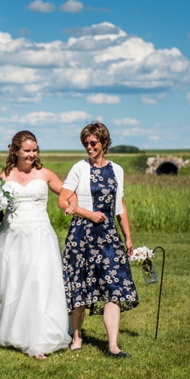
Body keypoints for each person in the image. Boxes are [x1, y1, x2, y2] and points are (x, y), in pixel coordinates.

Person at [0, 131, 73, 359]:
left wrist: (73, 207)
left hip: (40, 236)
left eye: (35, 150)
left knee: (38, 283)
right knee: (12, 283)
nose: (32, 155)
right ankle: (12, 332)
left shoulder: (46, 174)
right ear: (15, 151)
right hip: (11, 236)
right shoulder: (5, 175)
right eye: (27, 151)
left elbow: (68, 194)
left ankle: (40, 338)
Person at [57, 121, 139, 358]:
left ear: (104, 143)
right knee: (80, 286)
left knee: (113, 286)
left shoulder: (117, 170)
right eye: (85, 143)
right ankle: (77, 336)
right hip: (82, 234)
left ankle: (113, 345)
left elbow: (120, 205)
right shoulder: (79, 168)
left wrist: (128, 237)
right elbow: (63, 201)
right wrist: (87, 213)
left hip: (108, 235)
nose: (89, 146)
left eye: (93, 142)